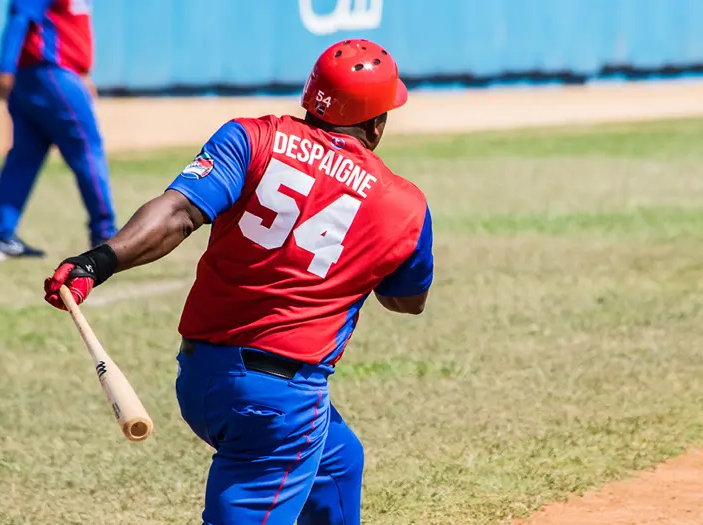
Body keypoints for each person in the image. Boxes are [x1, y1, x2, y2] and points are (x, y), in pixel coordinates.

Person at [43, 39, 433, 525]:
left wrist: (95, 263)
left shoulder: (252, 138)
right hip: (279, 407)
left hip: (202, 378)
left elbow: (178, 213)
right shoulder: (404, 205)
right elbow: (406, 301)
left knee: (337, 463)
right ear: (377, 124)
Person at [0, 0, 117, 260]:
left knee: (24, 158)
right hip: (51, 73)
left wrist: (82, 73)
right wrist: (4, 68)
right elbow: (21, 15)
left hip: (48, 75)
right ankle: (106, 234)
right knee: (87, 151)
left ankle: (1, 236)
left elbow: (69, 27)